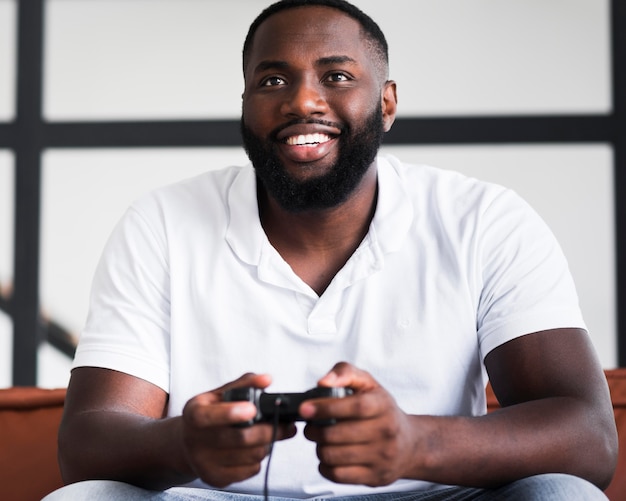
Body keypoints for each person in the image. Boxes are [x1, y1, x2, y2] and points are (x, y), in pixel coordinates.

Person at [46, 0, 617, 500]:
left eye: (337, 76)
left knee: (564, 494)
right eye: (273, 81)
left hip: (436, 496)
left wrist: (417, 443)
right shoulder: (162, 222)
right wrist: (183, 443)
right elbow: (85, 446)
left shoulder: (485, 219)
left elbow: (587, 436)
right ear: (245, 105)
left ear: (387, 104)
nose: (303, 101)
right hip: (212, 499)